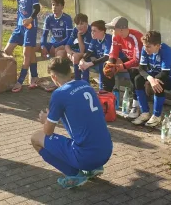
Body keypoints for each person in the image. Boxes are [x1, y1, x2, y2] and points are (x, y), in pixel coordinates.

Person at [31, 57, 113, 189]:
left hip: (87, 157)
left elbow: (48, 131)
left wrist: (46, 120)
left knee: (36, 138)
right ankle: (93, 168)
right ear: (70, 72)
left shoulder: (59, 94)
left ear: (53, 77)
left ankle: (75, 174)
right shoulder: (86, 85)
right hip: (106, 151)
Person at [133, 30, 171, 127]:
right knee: (138, 79)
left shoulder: (166, 51)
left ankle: (156, 116)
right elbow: (141, 68)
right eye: (144, 46)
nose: (145, 49)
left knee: (159, 82)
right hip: (156, 73)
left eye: (148, 46)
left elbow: (165, 73)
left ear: (157, 45)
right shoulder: (145, 49)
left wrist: (151, 81)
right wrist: (150, 79)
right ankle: (145, 113)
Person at [102, 16, 144, 119]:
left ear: (121, 29)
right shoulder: (116, 36)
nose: (111, 31)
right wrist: (111, 64)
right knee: (107, 66)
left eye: (113, 29)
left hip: (144, 62)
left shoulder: (136, 36)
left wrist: (121, 66)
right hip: (130, 59)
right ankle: (106, 99)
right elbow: (113, 53)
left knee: (134, 72)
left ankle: (135, 106)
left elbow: (137, 60)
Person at [79, 20, 114, 88]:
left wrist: (89, 64)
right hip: (99, 59)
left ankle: (102, 88)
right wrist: (82, 60)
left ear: (102, 31)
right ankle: (85, 85)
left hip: (114, 62)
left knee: (102, 64)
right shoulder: (94, 39)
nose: (92, 33)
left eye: (94, 31)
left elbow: (106, 57)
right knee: (85, 61)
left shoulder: (109, 38)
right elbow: (89, 52)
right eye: (91, 30)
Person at [57, 13, 92, 81]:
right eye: (77, 24)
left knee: (75, 57)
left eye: (81, 23)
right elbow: (67, 45)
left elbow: (83, 51)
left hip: (90, 54)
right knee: (59, 52)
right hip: (81, 53)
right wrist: (70, 53)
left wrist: (79, 35)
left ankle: (82, 81)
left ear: (87, 23)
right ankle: (63, 79)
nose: (79, 26)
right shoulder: (75, 29)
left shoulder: (91, 31)